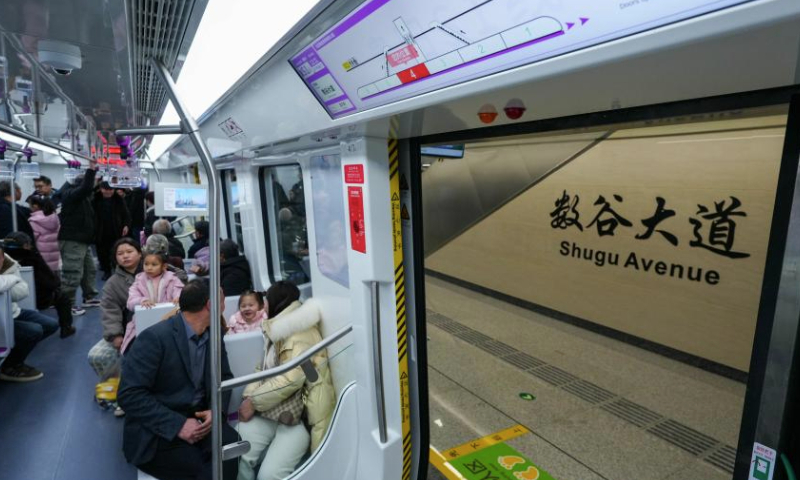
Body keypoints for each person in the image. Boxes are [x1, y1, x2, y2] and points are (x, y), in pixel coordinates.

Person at [117, 279, 239, 480]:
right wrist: (178, 425)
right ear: (211, 305)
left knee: (231, 446)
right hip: (159, 429)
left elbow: (224, 378)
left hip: (200, 418)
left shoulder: (214, 333)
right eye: (222, 301)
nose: (224, 307)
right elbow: (129, 394)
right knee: (204, 470)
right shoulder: (154, 339)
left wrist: (216, 410)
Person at [237, 281, 335, 480]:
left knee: (269, 476)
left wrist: (254, 401)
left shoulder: (300, 333)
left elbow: (293, 379)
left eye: (266, 301)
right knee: (238, 455)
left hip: (300, 417)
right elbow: (262, 368)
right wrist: (249, 395)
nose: (264, 305)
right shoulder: (279, 329)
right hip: (273, 407)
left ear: (276, 302)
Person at [0, 244, 59, 382]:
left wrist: (5, 287)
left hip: (11, 312)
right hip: (2, 320)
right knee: (34, 331)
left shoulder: (8, 263)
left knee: (50, 325)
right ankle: (10, 366)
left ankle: (11, 359)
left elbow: (23, 290)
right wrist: (9, 282)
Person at [3, 232, 75, 338]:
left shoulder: (5, 259)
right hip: (39, 298)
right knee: (63, 297)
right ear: (26, 245)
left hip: (9, 303)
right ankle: (66, 328)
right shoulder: (32, 257)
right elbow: (50, 281)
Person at [120, 250, 184, 353]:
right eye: (146, 264)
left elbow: (179, 290)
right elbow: (130, 302)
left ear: (164, 266)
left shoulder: (173, 279)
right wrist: (141, 300)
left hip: (169, 321)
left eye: (154, 264)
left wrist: (178, 297)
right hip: (143, 323)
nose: (149, 267)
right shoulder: (139, 280)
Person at [58, 164, 101, 315]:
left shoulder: (84, 200)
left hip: (82, 241)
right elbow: (86, 188)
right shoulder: (70, 196)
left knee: (90, 269)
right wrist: (91, 171)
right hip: (72, 241)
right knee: (72, 273)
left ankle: (89, 297)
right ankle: (67, 306)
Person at [94, 182, 132, 280]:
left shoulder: (119, 199)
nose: (109, 192)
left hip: (116, 230)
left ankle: (117, 271)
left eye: (111, 190)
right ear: (101, 189)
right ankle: (107, 271)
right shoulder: (94, 199)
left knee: (116, 252)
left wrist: (126, 225)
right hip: (100, 231)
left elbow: (126, 214)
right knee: (102, 253)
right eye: (106, 190)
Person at [27, 195, 61, 273]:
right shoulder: (54, 218)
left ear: (35, 206)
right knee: (56, 280)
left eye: (30, 205)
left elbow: (32, 240)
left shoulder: (34, 221)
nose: (29, 207)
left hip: (42, 258)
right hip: (55, 257)